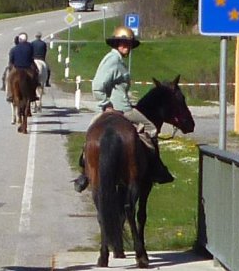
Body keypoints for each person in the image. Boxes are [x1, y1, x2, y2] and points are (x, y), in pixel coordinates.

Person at [72, 26, 175, 192]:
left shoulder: (115, 59)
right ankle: (155, 168)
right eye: (122, 43)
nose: (125, 46)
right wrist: (107, 104)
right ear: (116, 43)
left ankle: (84, 173)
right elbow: (97, 85)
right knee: (151, 127)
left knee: (92, 132)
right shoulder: (114, 61)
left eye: (128, 44)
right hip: (121, 109)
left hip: (109, 109)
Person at [6, 32, 39, 101]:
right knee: (35, 77)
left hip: (17, 68)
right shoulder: (30, 46)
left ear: (19, 40)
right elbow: (32, 57)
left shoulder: (14, 48)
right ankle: (33, 94)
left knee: (9, 79)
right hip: (28, 68)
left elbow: (11, 60)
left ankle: (10, 94)